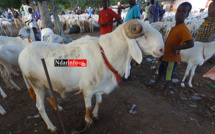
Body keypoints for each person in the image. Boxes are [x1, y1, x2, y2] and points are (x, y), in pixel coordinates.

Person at [148, 2, 194, 96]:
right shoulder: (175, 27)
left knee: (168, 75)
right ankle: (156, 84)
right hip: (166, 55)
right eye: (178, 11)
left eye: (183, 12)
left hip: (172, 58)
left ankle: (165, 91)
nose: (179, 14)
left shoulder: (183, 29)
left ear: (187, 15)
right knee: (161, 71)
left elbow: (191, 43)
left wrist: (177, 48)